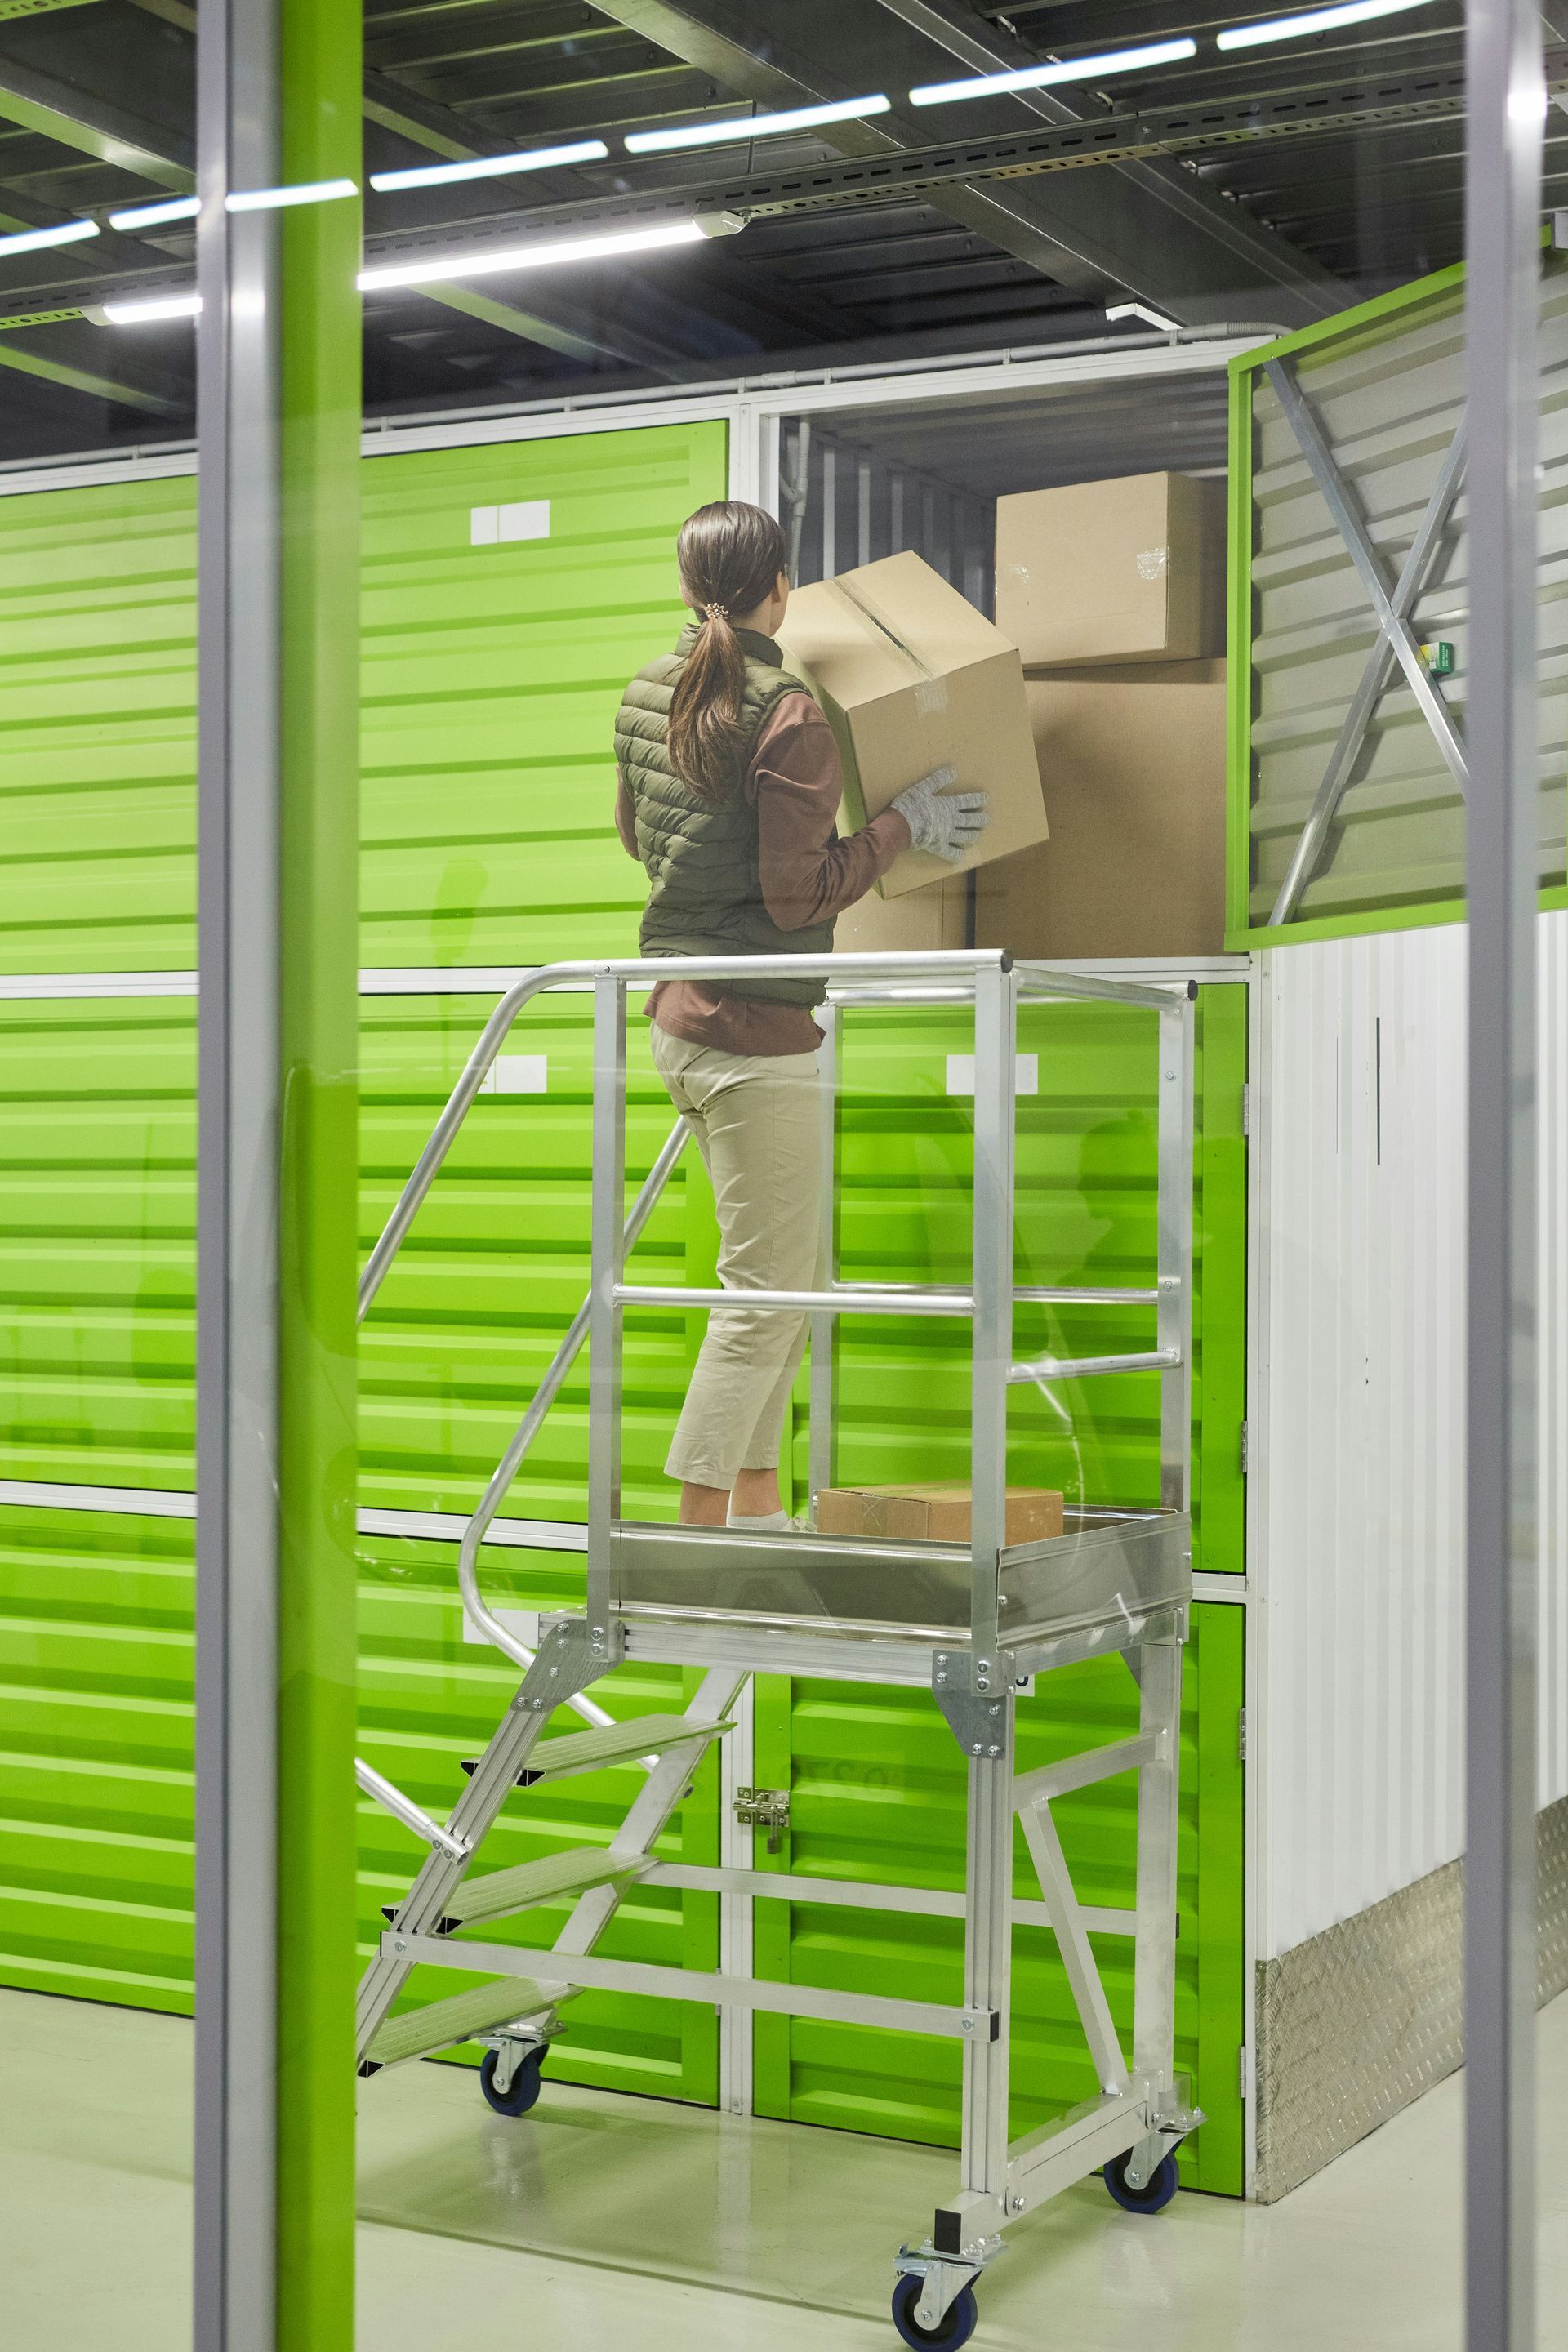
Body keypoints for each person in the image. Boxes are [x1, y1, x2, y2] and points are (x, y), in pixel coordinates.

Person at [614, 500, 988, 1530]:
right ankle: (696, 1526)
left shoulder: (651, 690)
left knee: (792, 1275)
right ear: (782, 588)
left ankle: (756, 1496)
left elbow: (638, 841)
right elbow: (795, 895)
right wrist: (899, 830)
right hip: (755, 1037)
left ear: (689, 588)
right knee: (767, 1292)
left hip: (679, 1023)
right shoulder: (787, 711)